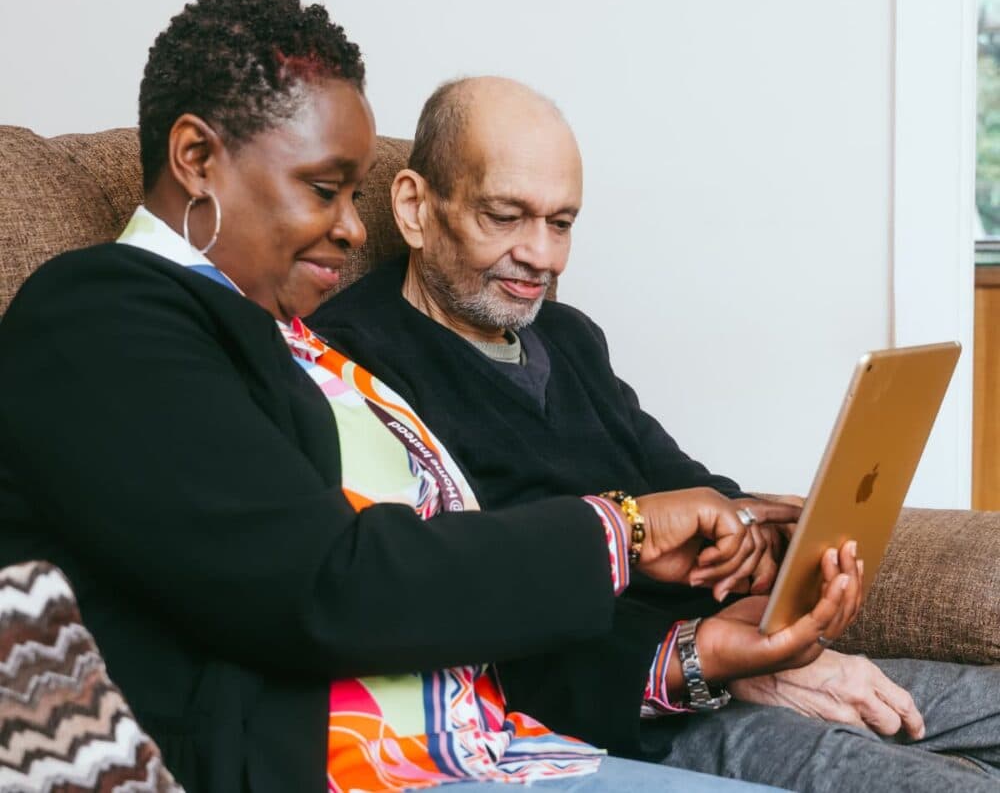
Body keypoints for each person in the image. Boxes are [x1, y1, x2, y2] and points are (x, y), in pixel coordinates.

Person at [0, 0, 823, 793]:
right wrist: (627, 529)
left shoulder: (300, 346)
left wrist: (686, 654)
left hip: (503, 749)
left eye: (354, 196)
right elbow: (326, 586)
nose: (356, 229)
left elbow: (459, 609)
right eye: (326, 190)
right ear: (196, 158)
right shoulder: (98, 315)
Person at [313, 75, 1000, 793]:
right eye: (505, 216)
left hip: (729, 656)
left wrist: (766, 543)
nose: (542, 257)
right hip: (626, 708)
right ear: (416, 208)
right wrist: (702, 663)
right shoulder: (353, 367)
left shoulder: (569, 338)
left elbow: (685, 485)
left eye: (561, 222)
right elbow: (457, 611)